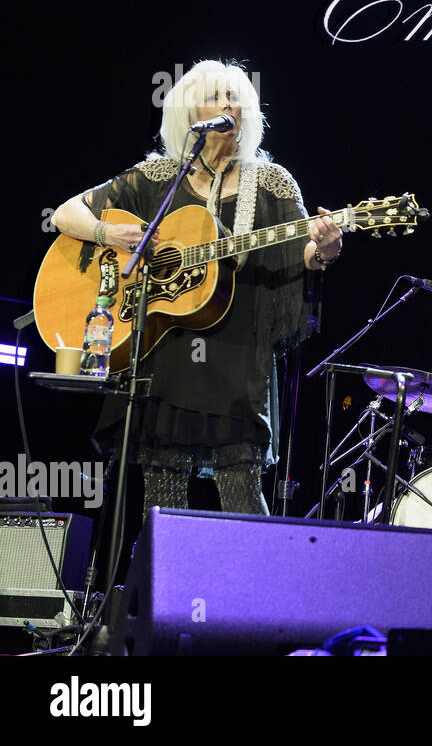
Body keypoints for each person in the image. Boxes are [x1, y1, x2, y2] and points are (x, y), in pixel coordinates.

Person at [51, 60, 342, 518]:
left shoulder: (270, 182)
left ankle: (261, 587)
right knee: (161, 490)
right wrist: (111, 235)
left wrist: (326, 248)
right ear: (190, 115)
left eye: (236, 99)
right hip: (165, 346)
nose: (229, 106)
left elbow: (299, 253)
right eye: (215, 98)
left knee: (241, 486)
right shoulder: (155, 179)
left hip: (236, 353)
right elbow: (65, 214)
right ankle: (162, 587)